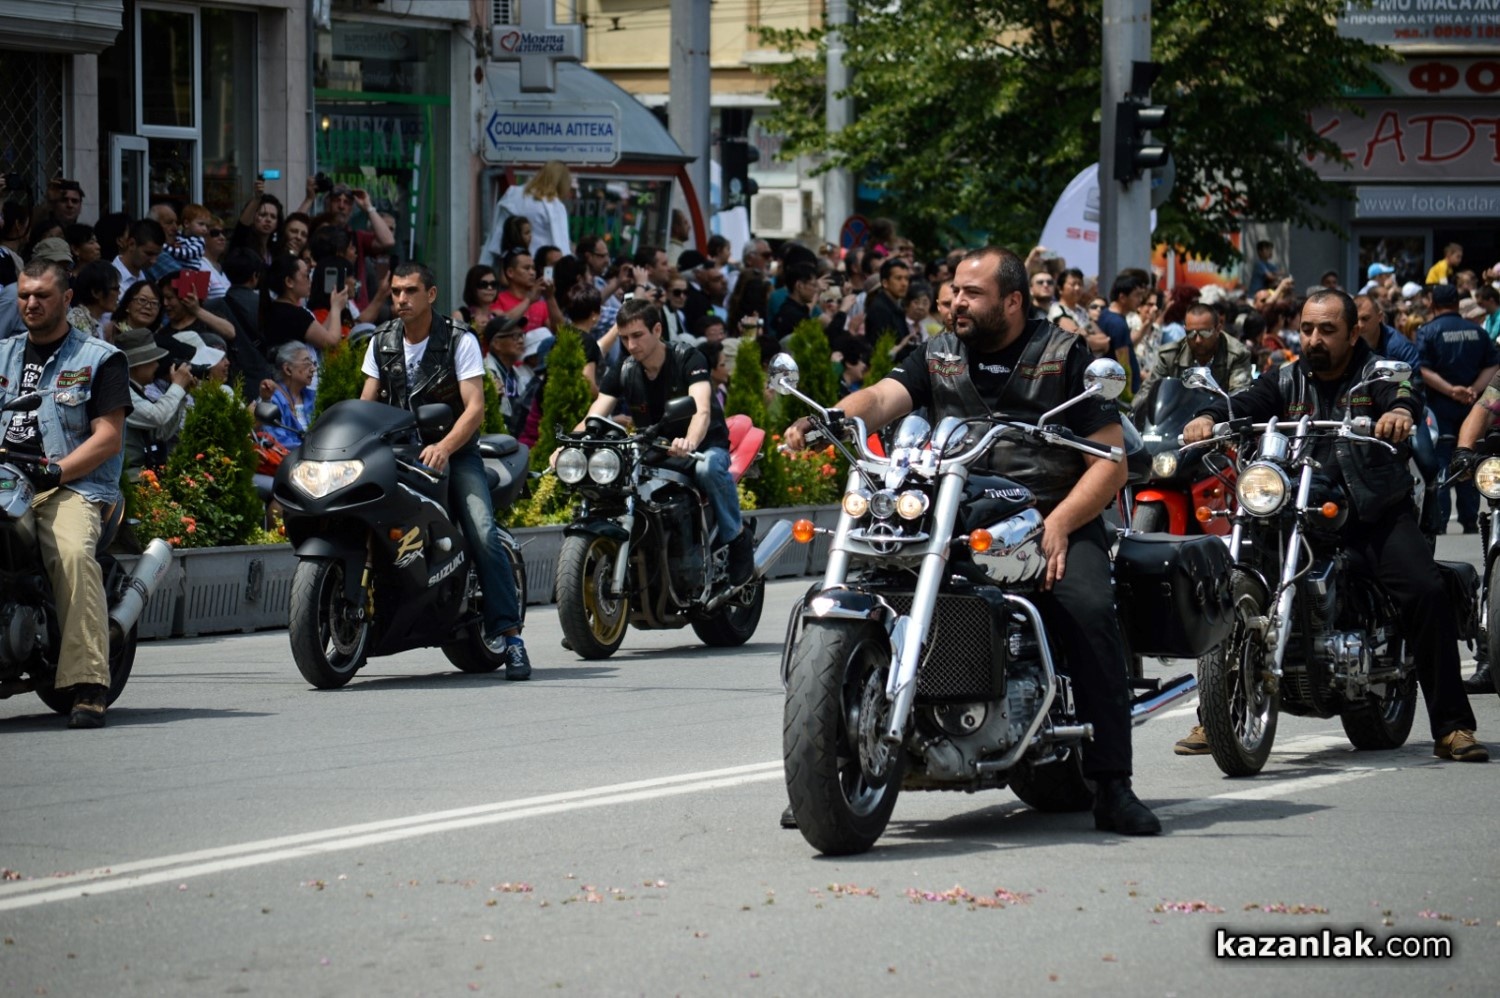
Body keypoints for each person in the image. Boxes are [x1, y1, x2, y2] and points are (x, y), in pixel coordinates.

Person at [781, 246, 1159, 835]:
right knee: (868, 582)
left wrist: (1061, 523)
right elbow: (881, 397)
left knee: (1087, 608)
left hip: (1048, 511)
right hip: (954, 508)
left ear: (1012, 301)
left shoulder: (1063, 355)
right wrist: (831, 417)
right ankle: (823, 772)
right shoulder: (940, 353)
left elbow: (1110, 462)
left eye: (972, 293)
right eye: (955, 291)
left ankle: (1113, 784)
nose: (956, 302)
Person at [1183, 289, 1485, 763]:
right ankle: (1217, 713)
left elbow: (1403, 394)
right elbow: (1245, 401)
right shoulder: (1286, 378)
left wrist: (1398, 414)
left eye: (1327, 330)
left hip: (1371, 513)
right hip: (1299, 512)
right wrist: (1207, 417)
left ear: (1353, 332)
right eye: (1307, 329)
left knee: (1425, 591)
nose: (1314, 339)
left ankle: (1453, 726)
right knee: (1236, 580)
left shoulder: (1377, 373)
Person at [358, 263, 531, 679]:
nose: (401, 299)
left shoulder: (458, 339)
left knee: (482, 531)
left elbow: (474, 409)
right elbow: (365, 406)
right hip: (398, 453)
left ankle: (511, 639)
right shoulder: (381, 342)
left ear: (431, 294)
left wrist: (444, 447)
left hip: (455, 453)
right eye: (395, 291)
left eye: (410, 291)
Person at [0, 261, 132, 728]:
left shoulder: (100, 358)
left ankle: (89, 683)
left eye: (42, 295)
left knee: (73, 553)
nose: (31, 304)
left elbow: (108, 437)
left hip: (69, 485)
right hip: (5, 480)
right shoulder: (2, 354)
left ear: (67, 299)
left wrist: (57, 472)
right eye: (24, 295)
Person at [571, 297, 753, 585]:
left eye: (638, 335)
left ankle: (737, 539)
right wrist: (568, 446)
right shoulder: (625, 368)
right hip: (655, 450)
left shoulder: (688, 358)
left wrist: (690, 441)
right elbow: (596, 413)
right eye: (625, 338)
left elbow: (702, 409)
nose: (631, 345)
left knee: (707, 468)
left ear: (657, 330)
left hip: (703, 446)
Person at [1417, 283, 1498, 535]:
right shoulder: (1478, 331)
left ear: (1433, 304)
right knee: (1469, 458)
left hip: (1441, 407)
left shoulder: (1427, 331)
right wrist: (1473, 389)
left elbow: (1422, 369)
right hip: (1473, 406)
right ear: (1456, 303)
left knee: (1443, 462)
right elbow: (1493, 366)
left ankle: (1441, 520)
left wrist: (1451, 390)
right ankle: (1470, 520)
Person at [119, 326, 195, 475]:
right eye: (152, 360)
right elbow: (157, 416)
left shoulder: (136, 389)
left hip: (144, 471)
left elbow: (161, 433)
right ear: (138, 365)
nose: (157, 365)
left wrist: (181, 395)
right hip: (128, 475)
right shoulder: (121, 391)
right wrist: (177, 387)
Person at [1142, 303, 1252, 396]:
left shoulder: (1236, 354)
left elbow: (1239, 395)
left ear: (1218, 330)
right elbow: (1147, 391)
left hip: (1221, 413)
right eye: (1191, 333)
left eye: (1205, 333)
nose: (1198, 340)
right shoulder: (1170, 355)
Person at [483, 161, 572, 264]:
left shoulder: (513, 194)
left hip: (512, 259)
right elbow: (562, 244)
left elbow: (498, 233)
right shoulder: (555, 206)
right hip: (541, 263)